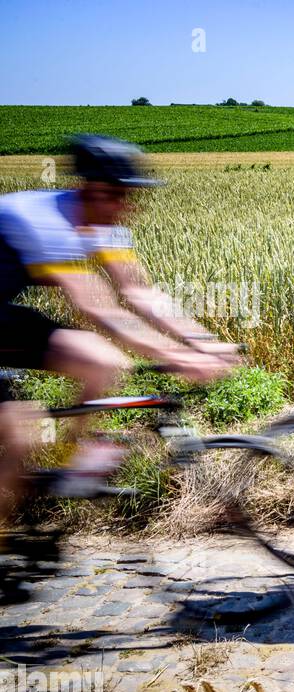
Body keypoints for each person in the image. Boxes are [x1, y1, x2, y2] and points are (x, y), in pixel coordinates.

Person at [0, 135, 236, 531]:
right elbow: (99, 308)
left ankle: (67, 460)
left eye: (132, 196)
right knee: (19, 434)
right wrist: (178, 356)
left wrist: (203, 342)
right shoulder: (43, 221)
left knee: (103, 361)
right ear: (89, 189)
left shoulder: (104, 225)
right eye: (119, 195)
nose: (128, 207)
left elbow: (140, 292)